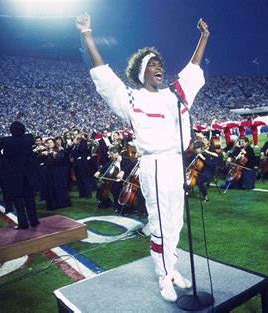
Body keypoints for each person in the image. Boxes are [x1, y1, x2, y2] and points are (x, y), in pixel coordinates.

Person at [76, 12, 209, 302]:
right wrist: (87, 35)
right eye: (152, 65)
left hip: (176, 162)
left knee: (176, 222)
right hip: (155, 164)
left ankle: (172, 269)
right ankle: (164, 278)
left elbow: (193, 68)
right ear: (141, 73)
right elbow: (105, 77)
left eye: (160, 64)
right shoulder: (132, 98)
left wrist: (204, 38)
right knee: (160, 223)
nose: (159, 67)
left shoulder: (176, 94)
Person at [0, 121, 40, 229]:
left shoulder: (5, 141)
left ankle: (23, 224)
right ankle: (34, 221)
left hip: (14, 176)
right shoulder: (29, 138)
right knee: (30, 198)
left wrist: (2, 156)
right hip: (28, 175)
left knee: (19, 200)